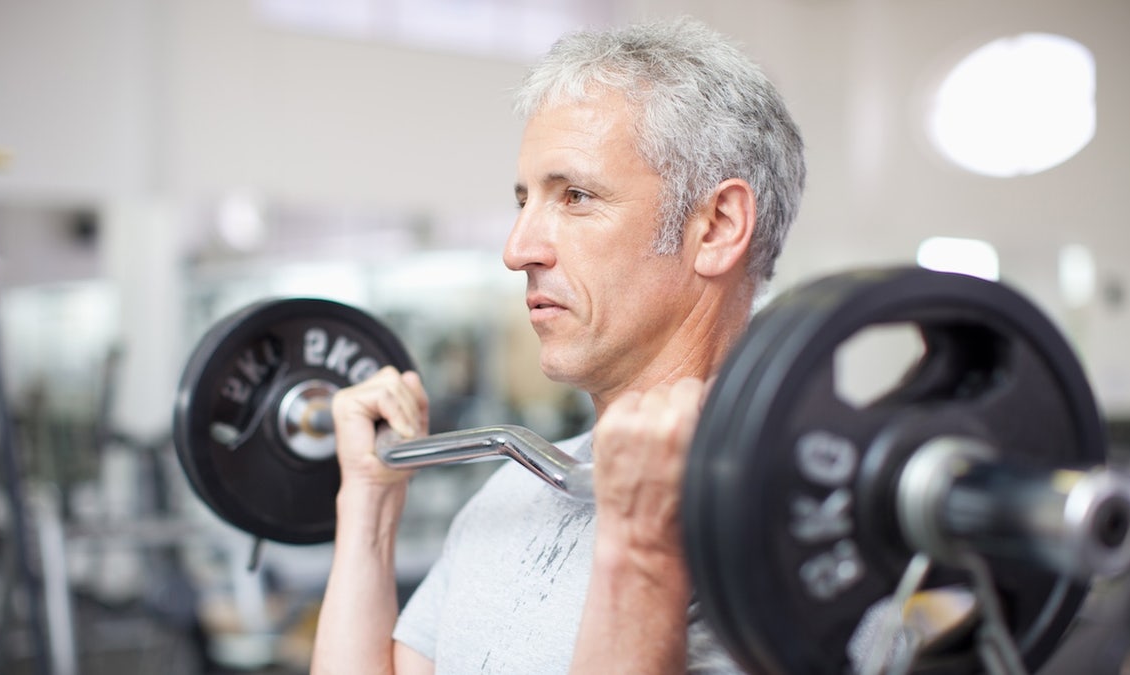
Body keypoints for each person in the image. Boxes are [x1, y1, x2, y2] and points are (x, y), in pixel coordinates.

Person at [311, 16, 805, 674]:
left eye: (575, 196)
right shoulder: (516, 489)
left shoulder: (806, 534)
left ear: (715, 227)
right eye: (524, 201)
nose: (517, 250)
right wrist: (368, 506)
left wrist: (644, 547)